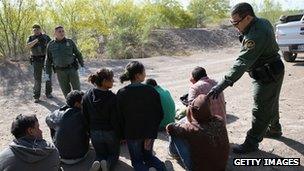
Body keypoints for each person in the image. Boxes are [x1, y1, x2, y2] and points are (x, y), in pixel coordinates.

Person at [208, 2, 285, 154]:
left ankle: (252, 142)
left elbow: (242, 62)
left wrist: (222, 85)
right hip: (270, 70)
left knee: (261, 107)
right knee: (271, 101)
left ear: (248, 18)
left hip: (268, 74)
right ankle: (274, 129)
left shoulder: (256, 34)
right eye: (232, 22)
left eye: (236, 22)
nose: (235, 26)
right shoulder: (262, 22)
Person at [117, 61, 166, 171]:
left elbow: (119, 117)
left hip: (132, 134)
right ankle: (161, 168)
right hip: (149, 133)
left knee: (137, 161)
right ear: (137, 75)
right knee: (149, 157)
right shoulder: (151, 91)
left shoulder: (121, 93)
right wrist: (151, 134)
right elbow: (159, 114)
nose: (145, 74)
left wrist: (122, 135)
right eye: (144, 71)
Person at [166, 94, 229, 171]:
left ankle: (173, 154)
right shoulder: (219, 120)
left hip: (199, 168)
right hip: (221, 166)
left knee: (175, 134)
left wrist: (188, 116)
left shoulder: (192, 129)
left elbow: (169, 128)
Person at [82, 68, 120, 171]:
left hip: (95, 132)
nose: (113, 81)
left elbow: (85, 116)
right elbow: (115, 119)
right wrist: (119, 134)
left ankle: (97, 163)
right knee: (114, 154)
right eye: (111, 79)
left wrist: (89, 131)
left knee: (100, 153)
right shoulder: (112, 97)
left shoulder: (87, 95)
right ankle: (107, 164)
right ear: (104, 82)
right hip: (110, 132)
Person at [46, 90, 90, 164]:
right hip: (80, 156)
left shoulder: (57, 114)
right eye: (83, 102)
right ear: (77, 104)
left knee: (54, 125)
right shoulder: (84, 115)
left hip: (60, 156)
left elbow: (47, 119)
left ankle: (59, 145)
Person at [45, 26, 85, 98]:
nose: (62, 33)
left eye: (63, 31)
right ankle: (70, 106)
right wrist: (47, 74)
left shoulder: (70, 42)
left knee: (77, 90)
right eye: (59, 31)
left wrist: (82, 66)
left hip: (72, 69)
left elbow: (78, 54)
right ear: (55, 33)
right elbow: (48, 60)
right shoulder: (50, 45)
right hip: (60, 71)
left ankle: (80, 106)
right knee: (66, 92)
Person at [26, 24, 52, 103]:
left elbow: (52, 45)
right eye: (34, 30)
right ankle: (36, 96)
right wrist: (37, 40)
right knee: (37, 79)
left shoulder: (46, 37)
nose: (36, 31)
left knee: (47, 77)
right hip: (36, 60)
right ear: (33, 31)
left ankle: (48, 93)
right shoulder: (30, 38)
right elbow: (28, 46)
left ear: (40, 29)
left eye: (37, 29)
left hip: (46, 59)